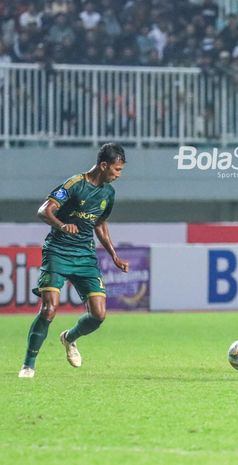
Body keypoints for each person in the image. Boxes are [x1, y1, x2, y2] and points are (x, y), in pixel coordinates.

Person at [18, 143, 129, 378]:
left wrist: (113, 255)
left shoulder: (108, 193)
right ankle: (28, 365)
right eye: (117, 170)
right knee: (49, 309)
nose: (118, 175)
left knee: (99, 315)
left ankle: (69, 338)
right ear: (103, 165)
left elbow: (99, 223)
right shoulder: (74, 184)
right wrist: (62, 225)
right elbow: (43, 210)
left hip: (85, 256)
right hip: (58, 251)